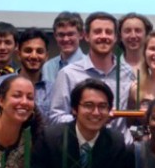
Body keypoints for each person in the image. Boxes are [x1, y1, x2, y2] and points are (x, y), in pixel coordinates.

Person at [25, 79, 132, 168]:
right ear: (74, 109)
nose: (96, 112)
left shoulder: (115, 142)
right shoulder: (50, 137)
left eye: (102, 106)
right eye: (88, 105)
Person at [46, 12, 136, 142]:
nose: (103, 36)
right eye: (98, 32)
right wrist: (88, 119)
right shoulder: (68, 74)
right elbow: (56, 117)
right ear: (86, 36)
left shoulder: (128, 73)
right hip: (82, 150)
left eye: (108, 32)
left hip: (121, 150)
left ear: (116, 37)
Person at [0, 28, 53, 114]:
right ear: (18, 54)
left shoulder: (53, 90)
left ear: (46, 56)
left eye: (39, 51)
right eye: (28, 51)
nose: (34, 56)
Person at [42, 11, 86, 84]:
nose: (66, 39)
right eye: (61, 35)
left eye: (70, 34)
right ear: (55, 36)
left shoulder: (91, 66)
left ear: (81, 35)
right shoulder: (48, 67)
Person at [118, 13, 153, 81]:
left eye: (138, 31)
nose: (133, 36)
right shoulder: (112, 68)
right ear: (120, 36)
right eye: (127, 31)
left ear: (146, 35)